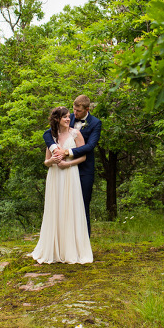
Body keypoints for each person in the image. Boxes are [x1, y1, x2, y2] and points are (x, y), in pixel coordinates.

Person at [31, 106, 93, 264]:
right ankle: (54, 248)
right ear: (57, 119)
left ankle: (71, 249)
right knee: (56, 208)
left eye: (68, 116)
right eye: (65, 117)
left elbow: (83, 157)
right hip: (55, 175)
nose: (68, 119)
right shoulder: (51, 137)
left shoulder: (76, 133)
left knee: (70, 208)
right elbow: (46, 161)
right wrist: (52, 161)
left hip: (69, 174)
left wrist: (68, 165)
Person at [43, 95, 101, 236]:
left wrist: (67, 152)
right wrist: (53, 148)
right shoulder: (68, 118)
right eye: (74, 110)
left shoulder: (95, 123)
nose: (75, 114)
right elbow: (47, 134)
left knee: (82, 203)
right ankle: (65, 237)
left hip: (84, 168)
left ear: (87, 109)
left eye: (78, 111)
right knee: (64, 204)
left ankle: (83, 239)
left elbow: (90, 146)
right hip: (63, 170)